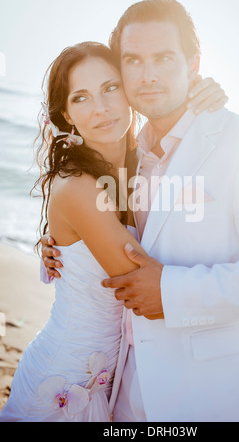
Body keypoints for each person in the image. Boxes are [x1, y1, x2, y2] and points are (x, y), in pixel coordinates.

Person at [43, 0, 239, 422]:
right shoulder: (126, 154)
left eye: (164, 58)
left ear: (193, 64)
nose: (148, 75)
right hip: (121, 388)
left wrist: (170, 292)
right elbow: (96, 226)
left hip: (213, 394)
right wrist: (56, 250)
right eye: (133, 61)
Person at [0, 40, 225, 422]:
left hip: (115, 375)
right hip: (66, 380)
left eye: (110, 88)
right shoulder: (78, 187)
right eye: (81, 98)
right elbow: (142, 285)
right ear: (67, 115)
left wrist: (200, 104)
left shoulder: (144, 164)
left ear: (129, 90)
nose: (101, 108)